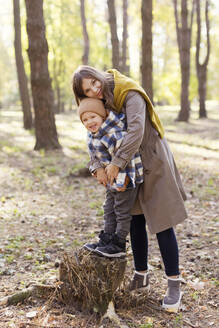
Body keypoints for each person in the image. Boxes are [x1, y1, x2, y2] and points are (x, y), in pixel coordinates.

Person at [72, 65, 187, 313]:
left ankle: (174, 283)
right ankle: (141, 275)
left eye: (93, 82)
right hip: (126, 168)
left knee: (162, 223)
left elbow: (137, 130)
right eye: (87, 90)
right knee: (135, 219)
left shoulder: (129, 92)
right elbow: (95, 140)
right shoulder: (100, 103)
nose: (94, 89)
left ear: (97, 75)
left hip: (152, 159)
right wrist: (96, 167)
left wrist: (115, 163)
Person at [78, 97, 143, 258]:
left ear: (103, 116)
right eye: (85, 119)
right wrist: (96, 169)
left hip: (125, 180)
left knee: (121, 211)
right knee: (108, 209)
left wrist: (121, 182)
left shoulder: (115, 134)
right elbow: (93, 157)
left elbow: (127, 160)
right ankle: (107, 239)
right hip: (110, 181)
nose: (89, 122)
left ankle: (119, 243)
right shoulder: (92, 135)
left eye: (93, 117)